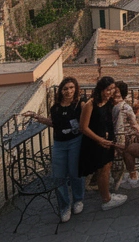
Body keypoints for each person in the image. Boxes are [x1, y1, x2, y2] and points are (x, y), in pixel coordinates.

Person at [23, 76, 85, 222]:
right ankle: (64, 206)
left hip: (75, 141)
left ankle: (78, 200)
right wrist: (36, 116)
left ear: (76, 89)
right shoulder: (55, 108)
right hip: (59, 144)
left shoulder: (79, 104)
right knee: (58, 176)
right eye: (65, 88)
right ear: (61, 91)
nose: (69, 91)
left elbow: (87, 119)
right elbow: (53, 123)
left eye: (71, 88)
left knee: (75, 172)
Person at [78, 76, 126, 210]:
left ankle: (107, 195)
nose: (110, 92)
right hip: (95, 142)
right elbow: (83, 127)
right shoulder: (91, 104)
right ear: (101, 89)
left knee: (106, 167)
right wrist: (100, 140)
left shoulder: (109, 102)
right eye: (108, 89)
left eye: (112, 89)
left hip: (106, 141)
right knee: (102, 170)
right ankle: (106, 200)